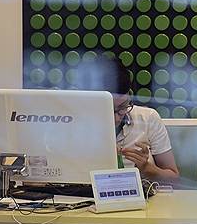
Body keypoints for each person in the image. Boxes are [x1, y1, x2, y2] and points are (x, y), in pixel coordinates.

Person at [76, 55, 179, 184]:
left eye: (122, 107)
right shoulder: (76, 124)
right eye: (108, 111)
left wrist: (147, 169)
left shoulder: (148, 118)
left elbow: (174, 178)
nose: (116, 118)